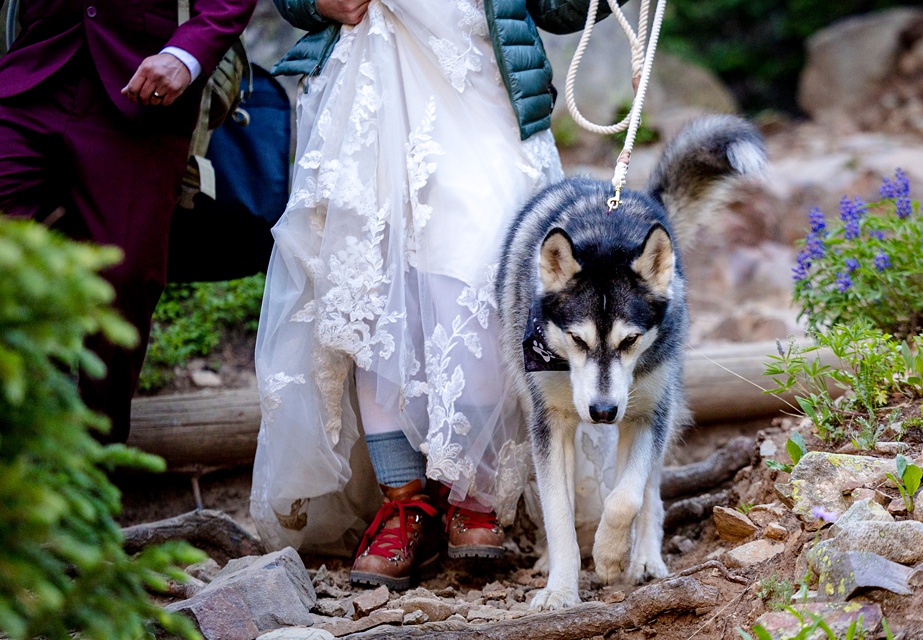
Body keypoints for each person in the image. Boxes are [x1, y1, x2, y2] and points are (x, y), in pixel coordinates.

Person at [251, 0, 621, 589]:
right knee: (369, 284)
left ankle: (472, 491)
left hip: (482, 82)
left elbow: (559, 8)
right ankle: (405, 500)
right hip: (372, 78)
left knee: (484, 277)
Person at [0, 0, 257, 442]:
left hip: (143, 93)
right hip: (30, 73)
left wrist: (184, 55)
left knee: (125, 280)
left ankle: (98, 471)